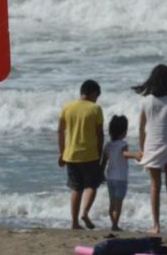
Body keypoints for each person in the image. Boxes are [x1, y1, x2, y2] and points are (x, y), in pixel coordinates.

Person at [134, 64, 167, 235]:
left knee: (155, 186)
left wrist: (141, 148)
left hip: (152, 146)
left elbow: (141, 127)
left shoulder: (147, 101)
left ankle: (156, 225)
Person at [57, 79, 104, 230]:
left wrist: (61, 152)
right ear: (93, 93)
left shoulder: (67, 107)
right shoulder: (95, 109)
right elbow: (100, 134)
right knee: (92, 185)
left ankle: (74, 222)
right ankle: (84, 212)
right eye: (97, 96)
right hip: (90, 154)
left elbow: (60, 131)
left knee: (76, 188)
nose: (96, 99)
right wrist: (99, 152)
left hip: (70, 154)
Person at [101, 114, 142, 231]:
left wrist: (101, 173)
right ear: (123, 132)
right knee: (118, 204)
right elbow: (124, 154)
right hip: (120, 179)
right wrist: (135, 155)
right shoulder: (123, 144)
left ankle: (113, 223)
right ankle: (115, 225)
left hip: (110, 178)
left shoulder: (108, 145)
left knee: (112, 202)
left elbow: (104, 160)